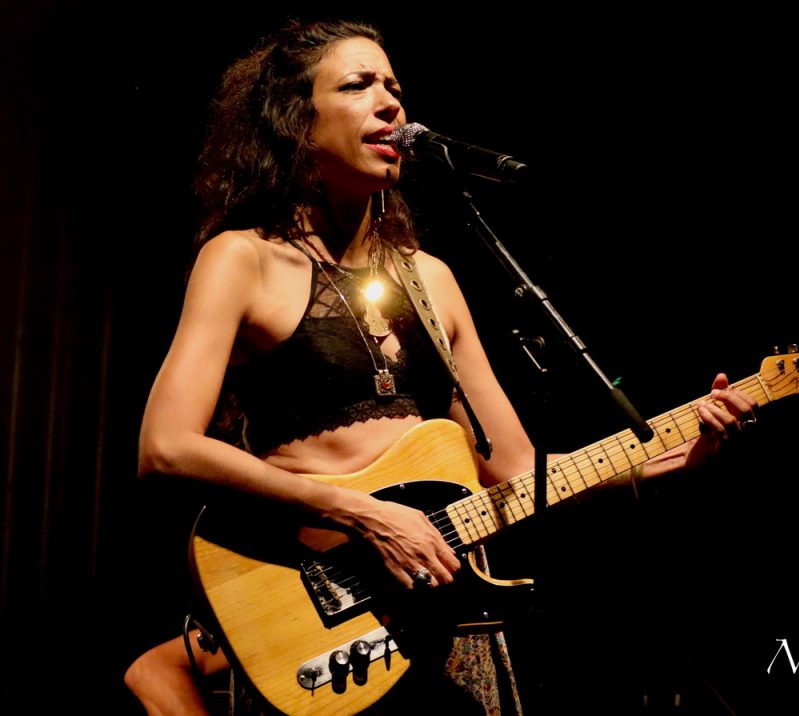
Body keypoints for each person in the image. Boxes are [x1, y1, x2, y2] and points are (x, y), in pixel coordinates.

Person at [122, 17, 759, 715]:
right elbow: (166, 446)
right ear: (296, 121)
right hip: (315, 609)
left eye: (394, 88)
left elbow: (514, 470)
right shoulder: (242, 259)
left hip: (441, 626)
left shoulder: (431, 279)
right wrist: (362, 513)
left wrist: (669, 456)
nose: (390, 104)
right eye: (358, 85)